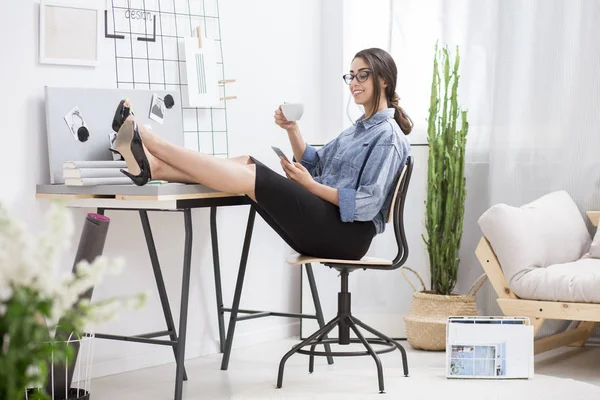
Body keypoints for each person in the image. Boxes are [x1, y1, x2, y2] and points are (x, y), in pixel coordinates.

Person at [111, 47, 412, 260]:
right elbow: (316, 163)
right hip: (329, 222)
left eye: (363, 76)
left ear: (383, 80)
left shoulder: (388, 137)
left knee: (252, 174)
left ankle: (151, 142)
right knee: (245, 162)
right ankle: (155, 168)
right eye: (351, 76)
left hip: (348, 235)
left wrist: (309, 186)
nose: (355, 83)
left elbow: (367, 204)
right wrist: (292, 129)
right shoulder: (358, 129)